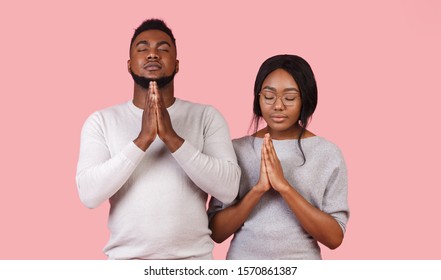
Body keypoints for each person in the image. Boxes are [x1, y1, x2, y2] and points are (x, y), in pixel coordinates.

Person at [76, 18, 240, 260]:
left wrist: (172, 138)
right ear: (129, 64)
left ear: (177, 64)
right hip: (126, 262)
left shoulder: (206, 116)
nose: (152, 54)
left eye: (163, 49)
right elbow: (89, 195)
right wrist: (142, 140)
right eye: (143, 49)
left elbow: (228, 190)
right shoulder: (101, 121)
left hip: (194, 263)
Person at [208, 54, 349, 259]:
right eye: (269, 96)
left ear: (306, 99)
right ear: (258, 98)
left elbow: (334, 238)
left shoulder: (327, 153)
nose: (278, 106)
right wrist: (258, 190)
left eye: (290, 98)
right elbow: (216, 232)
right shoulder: (235, 150)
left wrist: (284, 187)